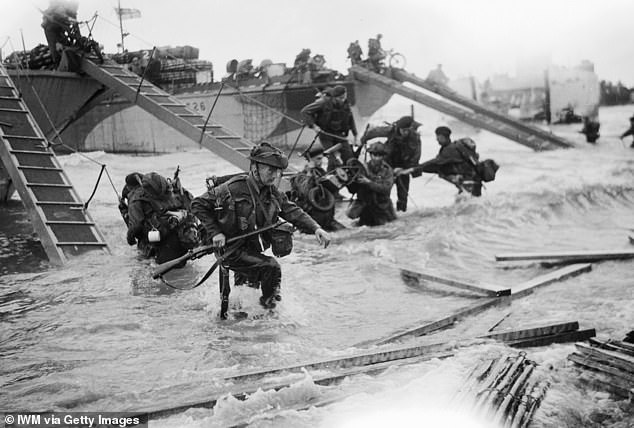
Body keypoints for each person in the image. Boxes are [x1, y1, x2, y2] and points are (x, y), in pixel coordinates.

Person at [191, 142, 331, 309]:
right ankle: (270, 310)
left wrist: (316, 228)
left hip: (250, 250)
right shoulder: (233, 188)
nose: (274, 175)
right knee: (271, 267)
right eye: (270, 169)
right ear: (255, 168)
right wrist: (215, 233)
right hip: (231, 249)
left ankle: (244, 322)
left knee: (246, 293)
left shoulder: (271, 192)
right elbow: (197, 204)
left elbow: (291, 211)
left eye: (277, 171)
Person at [126, 172, 200, 264]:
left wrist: (130, 238)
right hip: (187, 240)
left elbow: (136, 226)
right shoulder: (176, 190)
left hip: (161, 248)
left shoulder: (136, 198)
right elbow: (195, 208)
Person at [398, 126, 483, 197]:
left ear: (442, 136)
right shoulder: (450, 148)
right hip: (470, 181)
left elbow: (434, 163)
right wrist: (416, 168)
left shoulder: (450, 150)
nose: (436, 139)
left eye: (437, 137)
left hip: (468, 182)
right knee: (468, 205)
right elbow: (437, 167)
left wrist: (412, 169)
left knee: (468, 203)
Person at [361, 115, 422, 212]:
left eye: (407, 130)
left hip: (403, 167)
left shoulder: (415, 138)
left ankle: (401, 212)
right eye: (403, 130)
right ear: (399, 128)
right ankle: (383, 211)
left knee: (403, 194)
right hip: (388, 165)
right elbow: (375, 132)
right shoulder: (391, 130)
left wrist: (404, 170)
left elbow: (415, 157)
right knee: (383, 190)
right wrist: (363, 139)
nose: (405, 133)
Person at [300, 85, 358, 173]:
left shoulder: (345, 104)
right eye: (340, 98)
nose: (342, 100)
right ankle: (330, 176)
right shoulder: (323, 102)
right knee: (332, 158)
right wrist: (314, 126)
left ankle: (351, 176)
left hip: (339, 134)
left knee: (349, 156)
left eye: (344, 98)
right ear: (334, 97)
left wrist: (355, 135)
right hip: (326, 134)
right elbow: (305, 111)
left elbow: (351, 119)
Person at [289, 146, 346, 232]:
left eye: (321, 159)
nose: (320, 162)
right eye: (318, 159)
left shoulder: (323, 174)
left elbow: (335, 190)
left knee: (344, 231)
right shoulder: (301, 177)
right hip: (311, 222)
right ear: (310, 160)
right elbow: (305, 190)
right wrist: (310, 172)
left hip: (327, 219)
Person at [346, 142, 396, 227]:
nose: (376, 158)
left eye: (379, 155)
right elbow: (352, 190)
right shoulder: (362, 168)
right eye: (374, 155)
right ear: (370, 155)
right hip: (366, 207)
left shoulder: (388, 171)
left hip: (382, 208)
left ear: (383, 156)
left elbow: (386, 189)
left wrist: (368, 182)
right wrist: (351, 179)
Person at [41, 0, 79, 64]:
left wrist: (78, 37)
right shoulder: (62, 7)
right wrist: (68, 19)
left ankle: (69, 62)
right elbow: (60, 15)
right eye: (75, 7)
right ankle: (57, 63)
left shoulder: (73, 13)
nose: (76, 9)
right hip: (51, 29)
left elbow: (76, 27)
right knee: (54, 48)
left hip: (60, 30)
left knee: (66, 45)